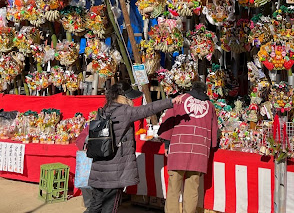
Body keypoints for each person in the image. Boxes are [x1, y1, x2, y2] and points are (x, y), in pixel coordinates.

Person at [87, 84, 182, 213]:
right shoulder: (125, 111)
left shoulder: (103, 111)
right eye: (129, 98)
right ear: (122, 97)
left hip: (98, 169)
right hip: (115, 172)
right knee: (110, 207)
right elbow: (148, 109)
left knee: (95, 206)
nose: (131, 101)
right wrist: (170, 101)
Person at [158, 81, 218, 213]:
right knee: (192, 188)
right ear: (205, 91)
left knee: (174, 188)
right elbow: (214, 133)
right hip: (199, 151)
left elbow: (168, 121)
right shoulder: (210, 106)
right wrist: (212, 147)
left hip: (179, 149)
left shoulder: (180, 100)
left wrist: (167, 144)